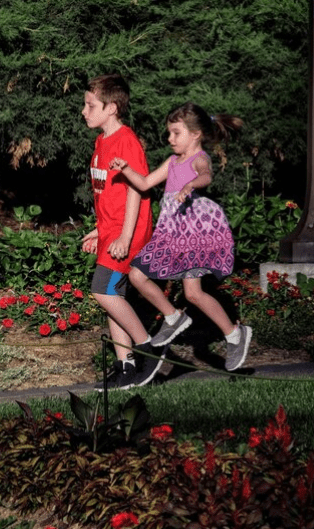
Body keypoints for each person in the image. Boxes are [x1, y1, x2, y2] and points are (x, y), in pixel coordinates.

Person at [108, 101, 252, 371]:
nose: (169, 138)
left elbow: (205, 175)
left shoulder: (199, 158)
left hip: (194, 233)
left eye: (176, 133)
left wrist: (190, 184)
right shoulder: (172, 162)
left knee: (193, 293)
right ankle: (174, 317)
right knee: (137, 275)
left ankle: (235, 333)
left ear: (195, 134)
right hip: (171, 231)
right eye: (169, 133)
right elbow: (144, 183)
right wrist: (125, 168)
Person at [80, 74, 167, 390]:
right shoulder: (101, 142)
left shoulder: (126, 141)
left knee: (103, 289)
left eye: (91, 105)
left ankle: (149, 348)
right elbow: (109, 193)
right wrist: (97, 230)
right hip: (111, 231)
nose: (84, 111)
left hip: (128, 233)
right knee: (111, 296)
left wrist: (125, 238)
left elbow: (136, 192)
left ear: (112, 107)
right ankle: (126, 366)